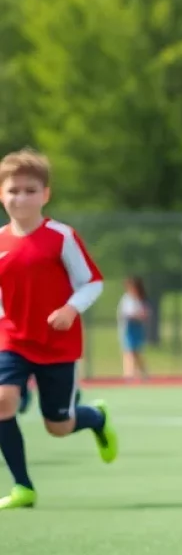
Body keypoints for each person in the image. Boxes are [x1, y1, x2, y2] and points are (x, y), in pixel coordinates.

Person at [0, 150, 119, 511]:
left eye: (30, 190)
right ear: (1, 194)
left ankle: (95, 418)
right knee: (2, 401)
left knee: (59, 426)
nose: (21, 198)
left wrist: (71, 308)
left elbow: (92, 283)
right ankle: (23, 487)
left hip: (57, 346)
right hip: (13, 340)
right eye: (13, 190)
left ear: (45, 195)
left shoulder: (62, 237)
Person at [117, 276, 150, 380]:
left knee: (137, 352)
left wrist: (142, 315)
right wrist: (136, 315)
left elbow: (146, 312)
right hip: (128, 328)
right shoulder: (126, 299)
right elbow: (126, 314)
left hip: (138, 327)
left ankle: (144, 374)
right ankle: (128, 376)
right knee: (128, 351)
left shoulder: (140, 298)